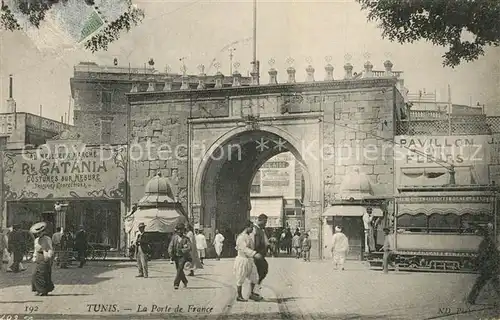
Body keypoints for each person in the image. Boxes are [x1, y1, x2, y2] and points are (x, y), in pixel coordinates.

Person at [467, 224, 500, 305]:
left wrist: (476, 263)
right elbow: (489, 255)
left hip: (488, 267)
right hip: (490, 266)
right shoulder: (488, 242)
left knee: (481, 283)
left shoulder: (485, 243)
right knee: (494, 283)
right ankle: (470, 299)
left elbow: (482, 256)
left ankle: (470, 299)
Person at [234, 220, 263, 302]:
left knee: (254, 276)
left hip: (249, 260)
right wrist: (254, 254)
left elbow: (251, 247)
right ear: (247, 227)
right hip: (242, 260)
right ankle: (239, 296)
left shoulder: (249, 236)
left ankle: (251, 294)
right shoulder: (241, 237)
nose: (252, 229)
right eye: (251, 227)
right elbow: (244, 249)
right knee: (240, 277)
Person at [30, 222, 55, 296]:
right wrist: (34, 256)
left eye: (40, 232)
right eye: (37, 233)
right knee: (36, 274)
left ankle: (43, 290)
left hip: (45, 257)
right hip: (39, 257)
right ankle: (39, 289)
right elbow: (35, 249)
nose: (38, 234)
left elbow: (50, 248)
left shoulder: (47, 239)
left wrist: (48, 257)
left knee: (42, 274)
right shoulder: (37, 240)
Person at [168, 223, 192, 289]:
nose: (179, 231)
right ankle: (185, 281)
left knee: (180, 268)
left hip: (183, 256)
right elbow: (170, 246)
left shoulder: (186, 239)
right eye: (178, 230)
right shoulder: (174, 238)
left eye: (181, 230)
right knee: (179, 270)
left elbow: (190, 247)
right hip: (176, 256)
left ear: (183, 230)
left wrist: (183, 250)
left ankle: (176, 284)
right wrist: (170, 254)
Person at [251, 214, 269, 300]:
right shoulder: (255, 229)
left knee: (262, 271)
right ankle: (253, 292)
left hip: (260, 254)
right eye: (265, 222)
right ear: (260, 220)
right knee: (258, 273)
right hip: (257, 255)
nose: (265, 224)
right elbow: (255, 243)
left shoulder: (260, 229)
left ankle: (255, 292)